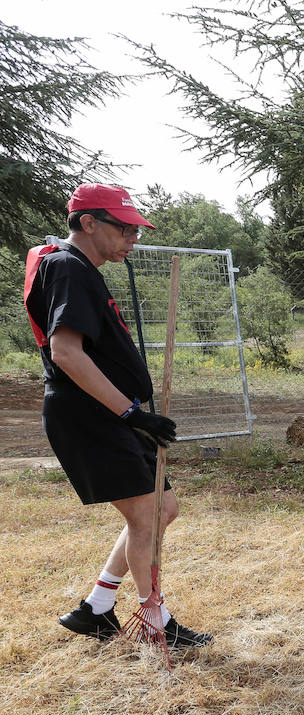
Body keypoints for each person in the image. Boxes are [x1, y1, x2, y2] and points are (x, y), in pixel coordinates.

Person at [24, 184, 212, 647]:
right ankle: (155, 624)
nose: (134, 239)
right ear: (89, 223)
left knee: (161, 510)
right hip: (90, 415)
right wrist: (132, 414)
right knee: (147, 514)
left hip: (108, 414)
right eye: (125, 229)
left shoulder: (82, 269)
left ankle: (97, 608)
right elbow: (66, 353)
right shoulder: (67, 268)